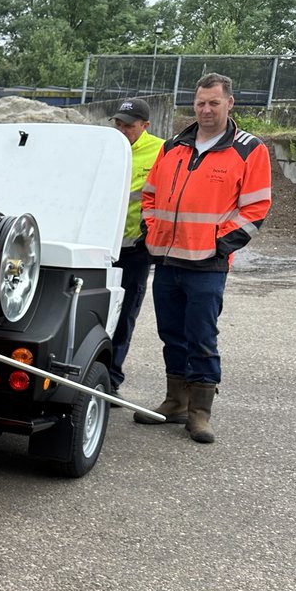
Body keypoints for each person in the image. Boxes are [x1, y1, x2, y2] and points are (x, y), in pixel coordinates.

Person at [135, 73, 271, 444]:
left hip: (207, 264)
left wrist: (217, 244)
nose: (206, 109)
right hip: (167, 260)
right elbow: (150, 196)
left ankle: (200, 412)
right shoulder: (173, 146)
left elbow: (256, 208)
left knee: (202, 337)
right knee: (171, 334)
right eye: (200, 103)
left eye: (213, 102)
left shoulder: (249, 149)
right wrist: (152, 231)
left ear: (229, 103)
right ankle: (175, 401)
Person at [108, 97, 163, 396]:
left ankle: (111, 379)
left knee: (125, 313)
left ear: (145, 125)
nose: (122, 130)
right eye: (118, 123)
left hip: (135, 250)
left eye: (128, 126)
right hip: (102, 247)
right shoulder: (108, 147)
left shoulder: (162, 151)